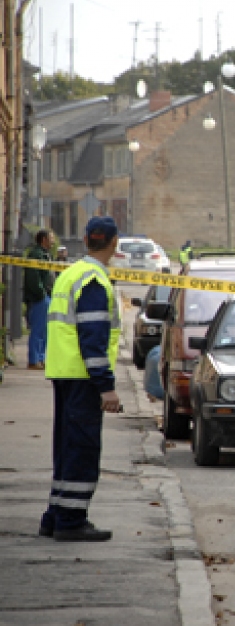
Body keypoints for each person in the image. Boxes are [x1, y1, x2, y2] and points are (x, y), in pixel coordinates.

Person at [39, 216, 122, 542]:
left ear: (86, 240)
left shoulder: (71, 272)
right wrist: (106, 386)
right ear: (114, 243)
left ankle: (55, 515)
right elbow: (92, 337)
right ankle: (71, 520)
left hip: (65, 371)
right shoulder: (94, 281)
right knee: (82, 448)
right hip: (83, 375)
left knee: (66, 446)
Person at [23, 229, 55, 369]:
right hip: (39, 299)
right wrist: (42, 294)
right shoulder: (36, 254)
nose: (53, 241)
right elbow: (33, 278)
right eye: (51, 238)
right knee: (38, 330)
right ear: (44, 240)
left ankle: (41, 359)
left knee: (44, 331)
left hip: (46, 296)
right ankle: (34, 360)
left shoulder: (45, 254)